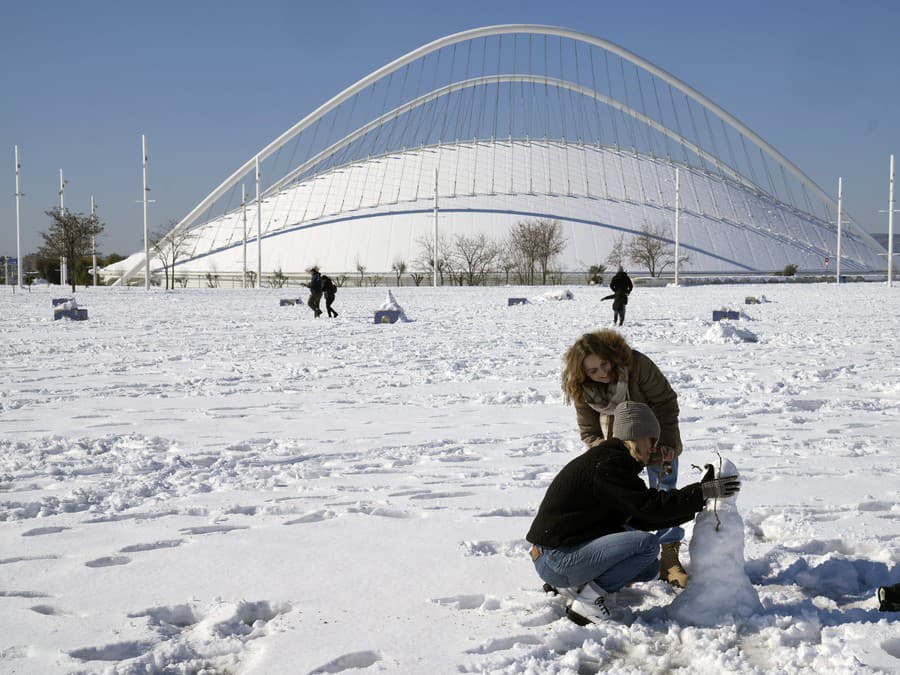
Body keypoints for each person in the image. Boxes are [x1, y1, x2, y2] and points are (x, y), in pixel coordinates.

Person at [526, 401, 740, 624]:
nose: (654, 447)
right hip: (556, 559)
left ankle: (574, 586)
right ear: (636, 435)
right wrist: (700, 493)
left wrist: (698, 497)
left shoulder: (612, 461)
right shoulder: (608, 465)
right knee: (646, 545)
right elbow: (649, 510)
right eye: (651, 440)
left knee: (647, 567)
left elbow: (641, 517)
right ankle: (587, 602)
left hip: (555, 556)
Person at [562, 329, 689, 588]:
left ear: (612, 356)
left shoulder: (636, 364)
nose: (602, 373)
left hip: (653, 433)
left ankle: (669, 556)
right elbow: (589, 430)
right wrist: (605, 453)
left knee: (664, 490)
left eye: (604, 364)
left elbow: (665, 401)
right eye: (593, 370)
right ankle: (624, 554)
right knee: (615, 498)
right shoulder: (581, 387)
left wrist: (665, 442)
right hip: (615, 441)